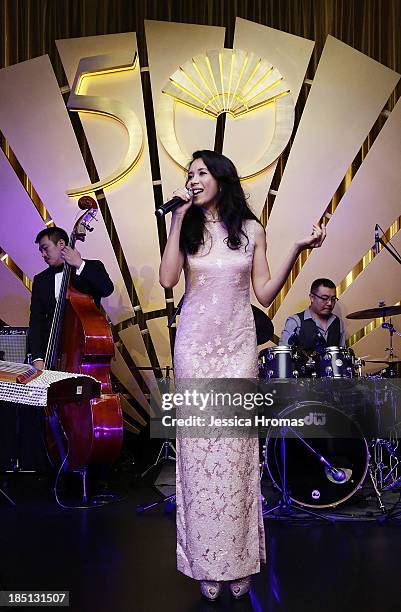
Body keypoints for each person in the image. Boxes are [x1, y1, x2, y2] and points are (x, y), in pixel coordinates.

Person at [159, 150, 326, 600]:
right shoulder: (187, 228)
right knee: (197, 455)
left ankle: (238, 561)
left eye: (201, 173)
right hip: (194, 349)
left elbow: (266, 294)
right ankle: (204, 564)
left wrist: (296, 248)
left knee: (235, 456)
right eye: (189, 174)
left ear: (221, 178)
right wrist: (175, 219)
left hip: (236, 350)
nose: (193, 180)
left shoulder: (252, 230)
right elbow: (167, 280)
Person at [28, 227, 114, 370]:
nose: (43, 254)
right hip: (51, 355)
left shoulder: (92, 267)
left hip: (83, 354)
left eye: (45, 248)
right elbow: (36, 321)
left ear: (61, 244)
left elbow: (107, 289)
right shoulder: (40, 280)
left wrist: (80, 264)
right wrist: (37, 357)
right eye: (40, 251)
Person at [280, 278, 345, 350]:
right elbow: (283, 355)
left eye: (333, 299)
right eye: (324, 298)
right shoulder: (295, 322)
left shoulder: (338, 322)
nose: (330, 303)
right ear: (312, 298)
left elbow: (342, 353)